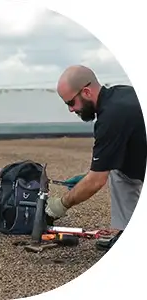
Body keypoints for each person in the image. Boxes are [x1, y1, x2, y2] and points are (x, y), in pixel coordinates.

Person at [45, 65, 147, 251]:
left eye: (71, 102)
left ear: (86, 91)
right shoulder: (121, 94)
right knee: (119, 171)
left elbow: (96, 181)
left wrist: (60, 205)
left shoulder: (111, 118)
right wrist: (89, 175)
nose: (70, 109)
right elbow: (109, 162)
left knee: (116, 173)